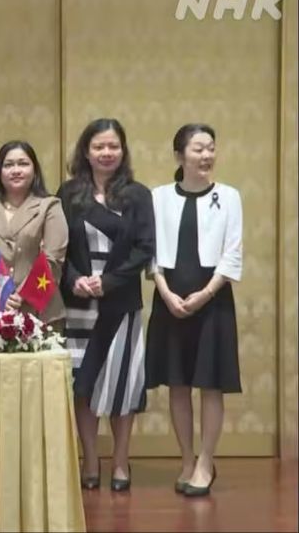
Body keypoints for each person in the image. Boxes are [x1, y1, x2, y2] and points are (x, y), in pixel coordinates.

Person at [57, 118, 154, 492]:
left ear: (123, 150)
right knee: (82, 383)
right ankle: (90, 459)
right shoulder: (69, 194)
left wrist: (108, 282)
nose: (106, 153)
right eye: (99, 146)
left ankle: (121, 461)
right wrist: (75, 280)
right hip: (79, 304)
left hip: (121, 302)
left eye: (113, 146)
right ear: (86, 151)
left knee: (121, 385)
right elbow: (58, 249)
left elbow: (145, 248)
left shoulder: (138, 195)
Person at [146, 124, 242, 497]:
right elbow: (151, 251)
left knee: (211, 384)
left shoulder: (229, 196)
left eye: (210, 148)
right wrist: (166, 293)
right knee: (178, 383)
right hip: (169, 297)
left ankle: (205, 461)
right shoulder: (158, 197)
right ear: (179, 155)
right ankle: (186, 459)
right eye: (198, 148)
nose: (206, 155)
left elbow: (232, 252)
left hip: (213, 299)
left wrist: (206, 293)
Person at [0, 141, 68, 323]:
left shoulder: (50, 206)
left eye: (23, 164)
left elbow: (54, 259)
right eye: (8, 165)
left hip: (40, 312)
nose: (16, 170)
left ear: (34, 170)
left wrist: (24, 295)